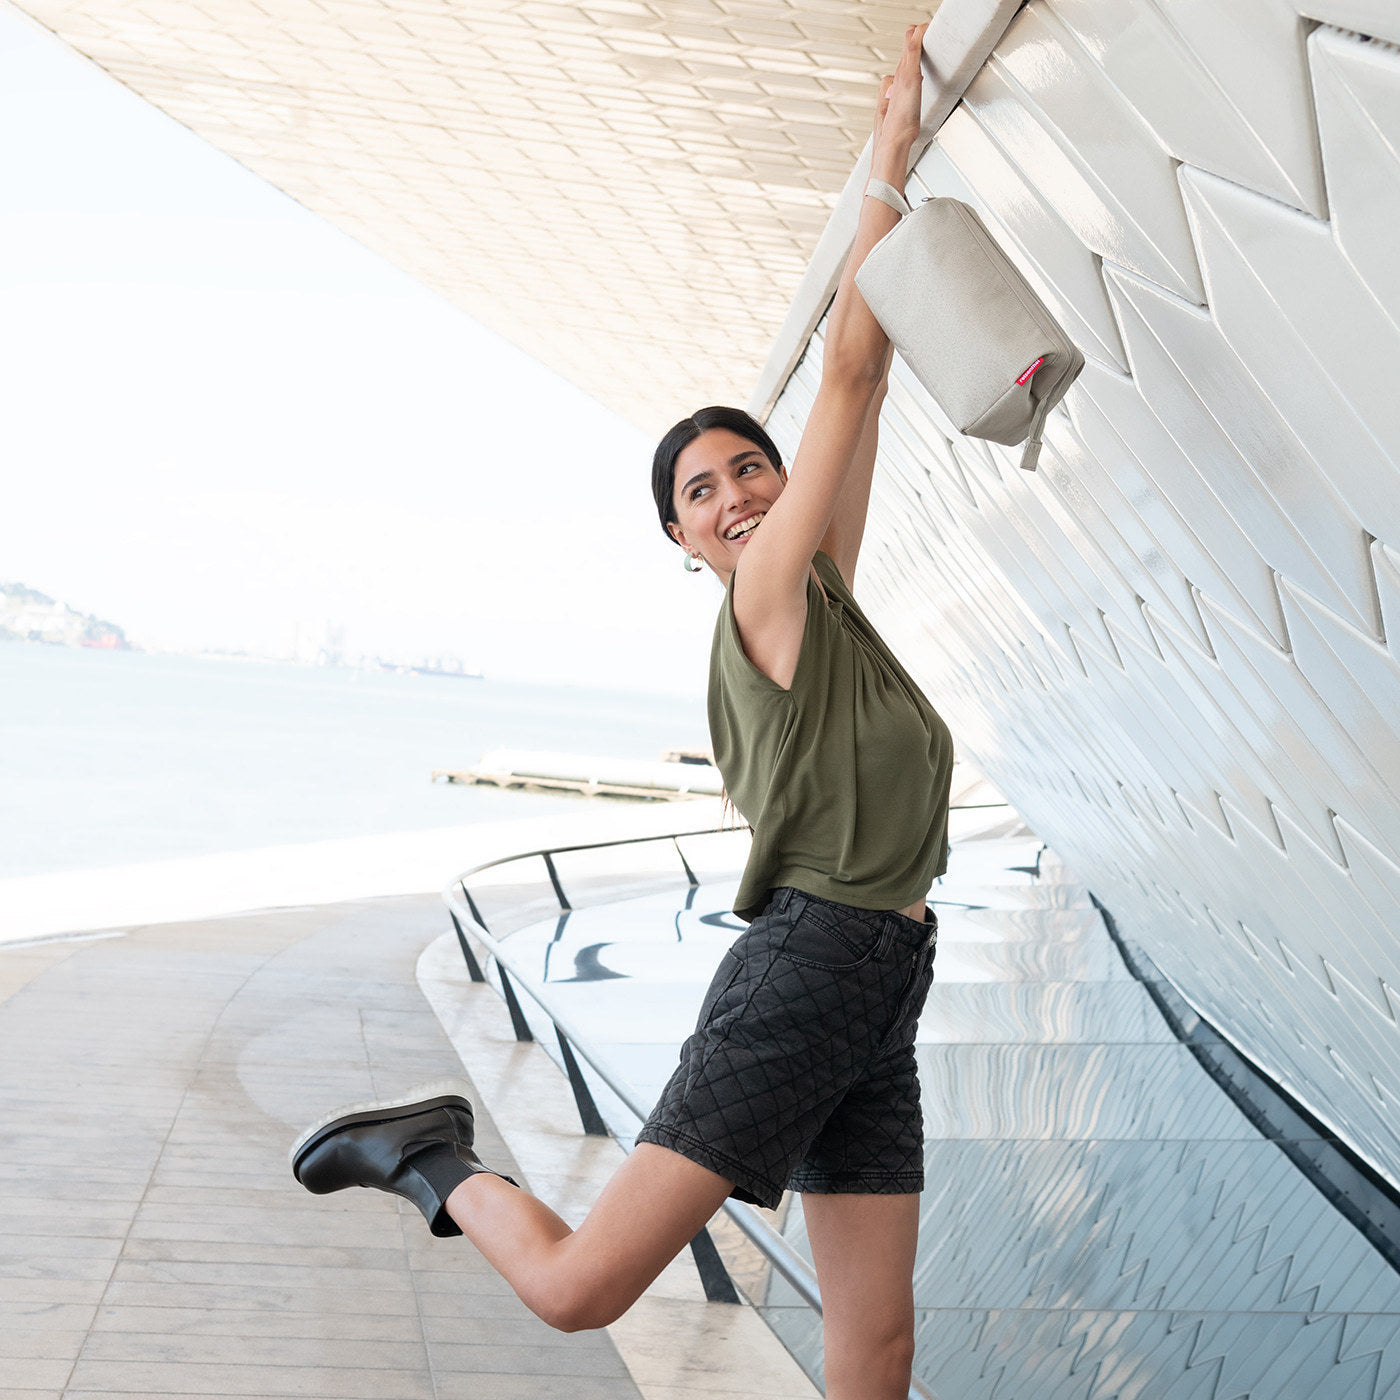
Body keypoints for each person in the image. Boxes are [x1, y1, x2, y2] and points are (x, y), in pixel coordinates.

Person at [290, 22, 952, 1400]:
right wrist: (889, 153)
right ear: (683, 538)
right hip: (811, 968)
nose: (738, 492)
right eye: (703, 489)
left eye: (751, 467)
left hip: (884, 978)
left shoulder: (828, 605)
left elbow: (867, 393)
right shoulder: (765, 602)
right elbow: (849, 373)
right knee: (580, 1289)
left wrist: (905, 199)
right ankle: (431, 1159)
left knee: (878, 1342)